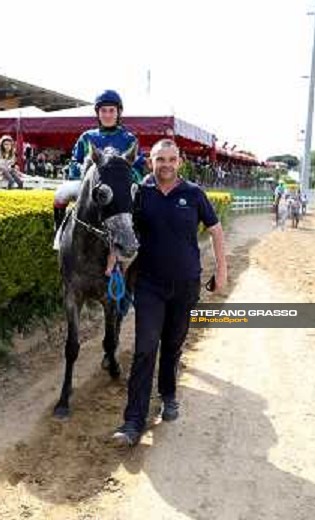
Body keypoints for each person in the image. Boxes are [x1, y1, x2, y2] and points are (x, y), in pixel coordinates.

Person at [112, 139, 228, 447]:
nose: (165, 164)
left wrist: (222, 271)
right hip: (149, 284)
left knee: (173, 345)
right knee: (145, 348)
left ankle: (168, 395)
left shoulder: (193, 194)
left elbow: (215, 230)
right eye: (159, 159)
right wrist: (114, 263)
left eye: (171, 159)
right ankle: (133, 421)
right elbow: (124, 229)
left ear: (180, 161)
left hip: (187, 284)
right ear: (150, 162)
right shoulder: (141, 193)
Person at [52, 89, 146, 233]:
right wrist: (84, 169)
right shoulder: (86, 137)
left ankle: (137, 236)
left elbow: (139, 169)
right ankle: (59, 232)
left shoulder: (129, 139)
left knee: (141, 198)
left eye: (111, 110)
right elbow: (74, 163)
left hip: (121, 189)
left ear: (118, 112)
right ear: (98, 113)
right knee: (61, 193)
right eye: (103, 111)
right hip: (89, 186)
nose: (107, 115)